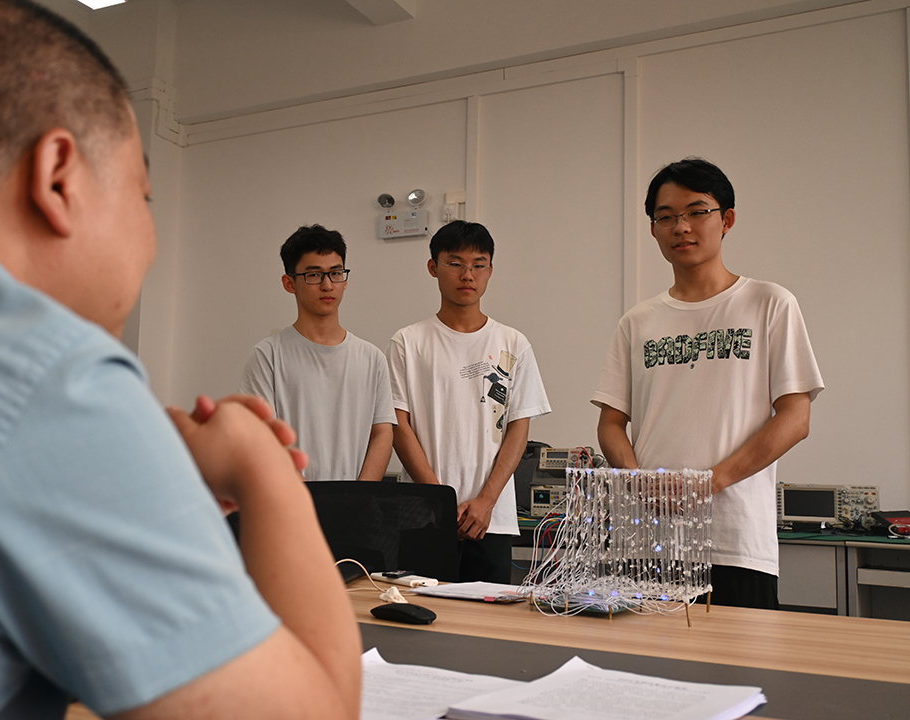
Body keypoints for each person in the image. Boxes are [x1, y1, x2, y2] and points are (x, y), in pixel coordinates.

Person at [0, 1, 360, 718]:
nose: (150, 239)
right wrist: (261, 466)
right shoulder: (41, 377)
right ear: (58, 177)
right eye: (143, 195)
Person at [592, 157, 824, 610]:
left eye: (697, 212)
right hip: (646, 543)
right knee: (644, 658)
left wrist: (710, 482)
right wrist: (637, 481)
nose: (681, 227)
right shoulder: (638, 321)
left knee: (740, 657)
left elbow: (796, 418)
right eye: (666, 217)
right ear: (653, 229)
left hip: (735, 542)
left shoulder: (769, 304)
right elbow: (611, 423)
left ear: (726, 219)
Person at [388, 220, 552, 583]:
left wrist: (486, 500)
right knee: (420, 615)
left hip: (491, 517)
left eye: (479, 264)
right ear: (433, 267)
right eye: (455, 263)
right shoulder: (408, 342)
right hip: (425, 516)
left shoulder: (513, 343)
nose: (468, 275)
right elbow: (399, 426)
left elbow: (518, 429)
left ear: (490, 270)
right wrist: (439, 501)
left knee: (486, 617)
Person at [239, 225, 395, 481]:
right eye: (314, 275)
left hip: (358, 502)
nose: (327, 285)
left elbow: (382, 433)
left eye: (335, 273)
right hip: (292, 500)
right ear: (289, 283)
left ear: (345, 280)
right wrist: (307, 499)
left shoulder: (372, 358)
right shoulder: (267, 356)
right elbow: (262, 437)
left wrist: (360, 496)